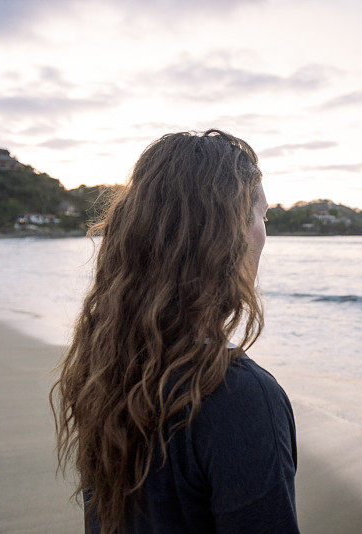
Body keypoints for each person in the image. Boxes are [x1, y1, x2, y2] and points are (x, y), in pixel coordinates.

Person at [49, 129, 299, 533]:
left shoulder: (108, 362)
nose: (264, 231)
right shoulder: (238, 396)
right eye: (262, 215)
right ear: (229, 231)